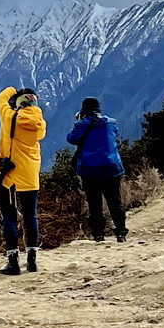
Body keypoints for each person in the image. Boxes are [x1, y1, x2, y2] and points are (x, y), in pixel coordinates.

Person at [0, 87, 46, 275]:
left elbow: (0, 98)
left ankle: (13, 262)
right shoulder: (40, 123)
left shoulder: (10, 117)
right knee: (31, 216)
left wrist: (13, 90)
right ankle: (32, 260)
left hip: (10, 177)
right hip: (31, 174)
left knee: (10, 218)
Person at [68, 97, 128, 243]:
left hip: (90, 169)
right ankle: (121, 232)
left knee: (94, 203)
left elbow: (71, 139)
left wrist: (80, 121)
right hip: (111, 167)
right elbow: (114, 132)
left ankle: (98, 234)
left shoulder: (81, 125)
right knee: (115, 200)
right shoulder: (111, 123)